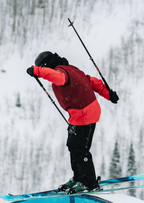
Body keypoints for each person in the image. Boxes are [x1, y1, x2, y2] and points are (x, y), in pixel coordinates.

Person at [26, 51, 119, 193]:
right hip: (83, 113)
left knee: (79, 149)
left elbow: (58, 78)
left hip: (84, 114)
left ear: (46, 65)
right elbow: (90, 81)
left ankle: (89, 182)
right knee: (73, 146)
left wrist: (37, 71)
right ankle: (79, 177)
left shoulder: (61, 71)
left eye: (43, 68)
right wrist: (108, 94)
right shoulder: (71, 69)